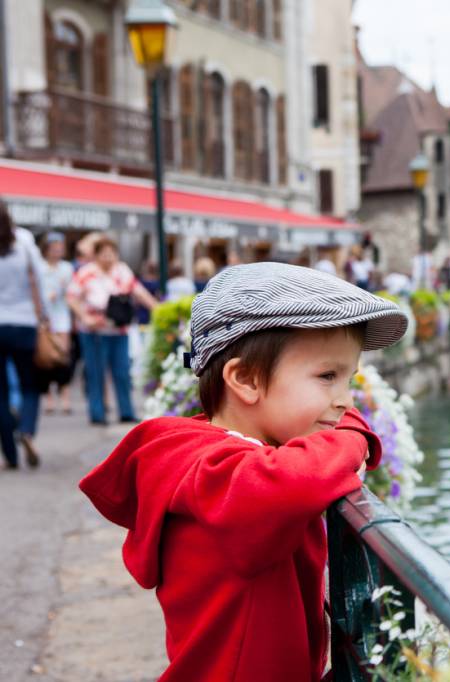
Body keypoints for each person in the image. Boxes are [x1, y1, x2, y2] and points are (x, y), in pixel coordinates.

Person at [79, 262, 408, 681]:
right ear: (246, 379)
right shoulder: (214, 470)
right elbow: (293, 482)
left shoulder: (231, 455)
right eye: (328, 376)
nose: (346, 400)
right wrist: (354, 438)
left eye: (349, 379)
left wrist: (347, 429)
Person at [66, 237, 158, 425]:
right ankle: (97, 413)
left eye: (112, 253)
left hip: (119, 330)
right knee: (96, 373)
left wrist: (159, 309)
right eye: (104, 254)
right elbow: (71, 297)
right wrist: (84, 317)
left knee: (122, 372)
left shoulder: (122, 271)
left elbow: (139, 292)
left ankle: (126, 411)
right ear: (97, 255)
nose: (108, 258)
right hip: (94, 332)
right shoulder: (86, 273)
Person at [0, 200, 46, 469]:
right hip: (24, 323)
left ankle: (10, 455)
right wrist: (45, 316)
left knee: (1, 394)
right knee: (30, 386)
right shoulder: (25, 240)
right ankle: (26, 431)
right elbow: (38, 280)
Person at [36, 232, 76, 416]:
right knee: (45, 358)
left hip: (62, 317)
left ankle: (65, 395)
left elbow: (71, 292)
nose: (57, 251)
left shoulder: (67, 268)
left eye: (60, 248)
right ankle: (48, 397)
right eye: (54, 248)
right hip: (43, 318)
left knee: (63, 356)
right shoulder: (38, 266)